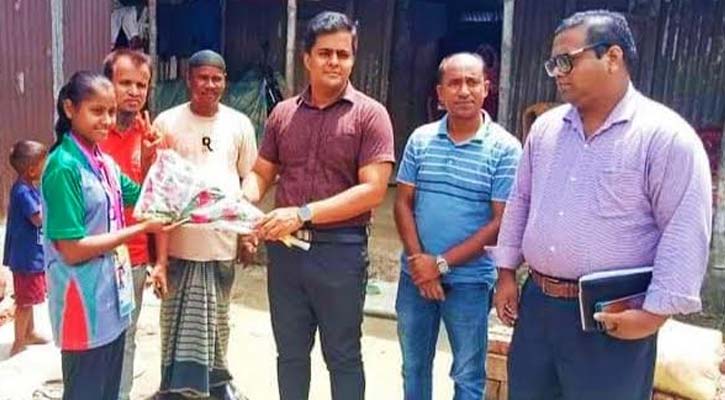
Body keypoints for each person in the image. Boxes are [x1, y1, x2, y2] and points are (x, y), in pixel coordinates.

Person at [489, 10, 712, 400]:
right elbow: (521, 199)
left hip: (610, 316)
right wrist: (506, 273)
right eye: (553, 64)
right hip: (538, 306)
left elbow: (684, 229)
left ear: (612, 57)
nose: (557, 73)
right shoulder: (546, 129)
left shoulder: (664, 137)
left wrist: (653, 315)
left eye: (567, 61)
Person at [241, 11, 395, 400]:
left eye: (343, 54)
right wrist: (240, 204)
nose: (334, 62)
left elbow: (373, 190)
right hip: (285, 255)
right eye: (325, 53)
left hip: (340, 254)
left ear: (353, 59)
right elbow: (261, 173)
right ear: (306, 58)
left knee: (343, 356)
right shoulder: (283, 114)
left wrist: (302, 213)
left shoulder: (369, 115)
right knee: (290, 355)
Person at [394, 52, 521, 400]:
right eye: (454, 83)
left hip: (469, 282)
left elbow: (501, 222)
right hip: (415, 277)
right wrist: (420, 264)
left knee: (467, 375)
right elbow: (402, 203)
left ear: (486, 88)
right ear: (440, 92)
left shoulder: (505, 149)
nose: (463, 90)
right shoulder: (421, 139)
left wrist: (440, 264)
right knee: (413, 366)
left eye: (472, 82)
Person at [42, 71, 169, 400]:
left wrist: (150, 157)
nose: (107, 120)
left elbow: (142, 197)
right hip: (82, 306)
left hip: (112, 299)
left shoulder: (104, 163)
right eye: (96, 111)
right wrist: (139, 229)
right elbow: (72, 249)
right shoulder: (63, 166)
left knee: (109, 391)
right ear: (70, 109)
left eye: (111, 111)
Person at [151, 49, 258, 400]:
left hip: (221, 241)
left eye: (217, 79)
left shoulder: (239, 124)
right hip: (178, 243)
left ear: (225, 81)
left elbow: (249, 178)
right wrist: (158, 256)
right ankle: (171, 387)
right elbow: (158, 185)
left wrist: (247, 233)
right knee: (173, 318)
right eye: (203, 78)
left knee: (219, 319)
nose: (210, 85)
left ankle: (218, 386)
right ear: (189, 79)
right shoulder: (166, 122)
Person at [99, 48, 161, 400]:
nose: (135, 92)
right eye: (125, 83)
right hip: (91, 257)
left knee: (126, 337)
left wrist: (159, 260)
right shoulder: (91, 132)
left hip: (133, 258)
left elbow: (155, 203)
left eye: (142, 84)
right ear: (107, 83)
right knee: (91, 339)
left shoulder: (150, 135)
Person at [3, 140, 49, 356]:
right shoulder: (22, 191)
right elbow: (37, 219)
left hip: (31, 253)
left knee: (29, 297)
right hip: (25, 256)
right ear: (31, 170)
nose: (45, 168)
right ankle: (19, 341)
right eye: (43, 164)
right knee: (24, 300)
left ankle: (29, 333)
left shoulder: (29, 187)